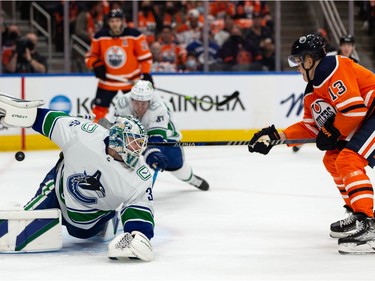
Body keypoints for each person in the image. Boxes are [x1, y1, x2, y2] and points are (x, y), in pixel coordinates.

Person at [247, 33, 375, 255]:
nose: (296, 66)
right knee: (333, 158)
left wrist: (331, 130)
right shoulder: (312, 90)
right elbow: (311, 127)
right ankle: (358, 213)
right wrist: (276, 136)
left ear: (309, 60)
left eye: (298, 60)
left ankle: (369, 224)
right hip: (368, 117)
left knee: (348, 159)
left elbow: (354, 110)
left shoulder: (332, 67)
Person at [0, 94, 155, 261]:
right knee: (24, 224)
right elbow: (49, 119)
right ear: (117, 138)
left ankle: (108, 220)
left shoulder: (139, 175)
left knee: (82, 233)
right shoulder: (83, 135)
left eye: (140, 143)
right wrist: (17, 114)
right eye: (133, 141)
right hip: (58, 193)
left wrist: (137, 236)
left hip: (91, 221)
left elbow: (139, 211)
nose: (138, 149)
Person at [113, 80, 209, 191]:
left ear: (150, 101)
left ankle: (191, 179)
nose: (139, 107)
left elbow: (156, 138)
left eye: (143, 104)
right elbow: (116, 129)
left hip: (167, 137)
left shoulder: (158, 107)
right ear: (131, 99)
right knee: (117, 153)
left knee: (175, 163)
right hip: (135, 134)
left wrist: (152, 152)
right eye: (136, 103)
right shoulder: (122, 103)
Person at [85, 8, 153, 122]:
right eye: (112, 21)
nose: (115, 24)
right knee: (99, 110)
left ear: (122, 21)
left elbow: (146, 57)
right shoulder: (99, 37)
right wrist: (96, 64)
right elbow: (89, 57)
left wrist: (146, 73)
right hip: (107, 82)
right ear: (108, 23)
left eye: (117, 21)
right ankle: (94, 133)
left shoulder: (135, 35)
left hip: (131, 81)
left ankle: (141, 133)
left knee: (137, 110)